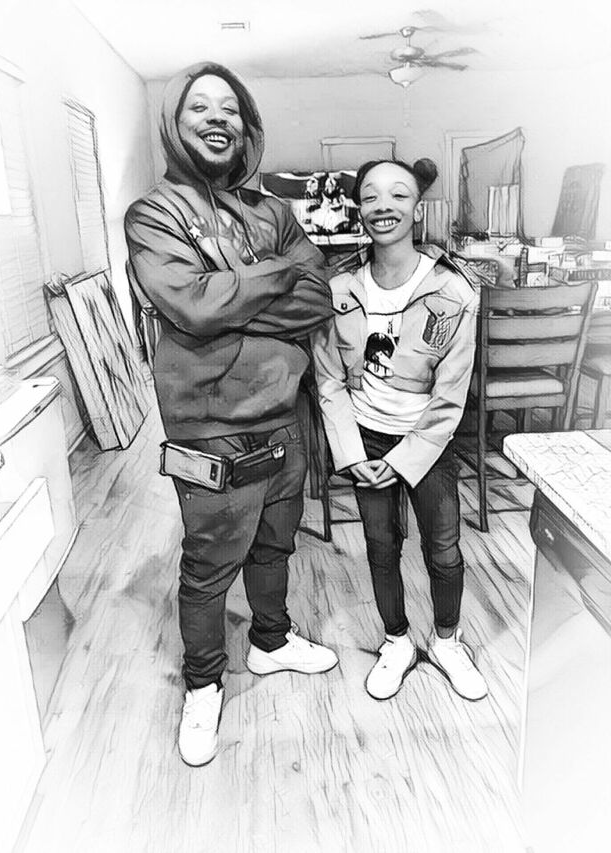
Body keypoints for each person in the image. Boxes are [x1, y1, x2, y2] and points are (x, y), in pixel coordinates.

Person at [125, 62, 338, 767]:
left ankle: (271, 641)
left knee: (276, 544)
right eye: (200, 107)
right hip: (212, 430)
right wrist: (276, 276)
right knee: (209, 566)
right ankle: (203, 682)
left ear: (246, 128)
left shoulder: (273, 213)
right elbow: (190, 306)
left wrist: (231, 297)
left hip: (286, 418)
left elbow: (317, 298)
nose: (218, 118)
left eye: (230, 109)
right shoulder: (154, 215)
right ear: (175, 123)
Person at [312, 158, 488, 703]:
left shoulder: (454, 292)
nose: (383, 206)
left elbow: (450, 396)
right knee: (380, 546)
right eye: (370, 196)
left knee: (444, 549)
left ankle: (447, 641)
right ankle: (397, 641)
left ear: (417, 209)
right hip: (364, 441)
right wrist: (351, 455)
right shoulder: (337, 289)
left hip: (427, 444)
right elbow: (328, 380)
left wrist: (404, 460)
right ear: (358, 209)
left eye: (398, 195)